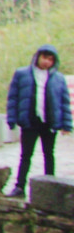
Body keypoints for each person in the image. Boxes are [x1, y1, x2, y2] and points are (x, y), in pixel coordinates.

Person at [6, 46, 71, 196]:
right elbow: (13, 97)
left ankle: (50, 187)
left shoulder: (58, 78)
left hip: (49, 122)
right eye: (45, 58)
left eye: (50, 59)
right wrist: (12, 118)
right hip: (30, 121)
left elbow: (64, 102)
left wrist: (66, 124)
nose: (47, 62)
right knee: (26, 155)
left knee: (49, 154)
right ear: (37, 57)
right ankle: (20, 186)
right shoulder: (22, 74)